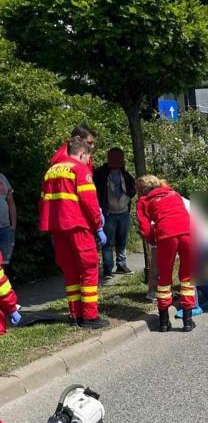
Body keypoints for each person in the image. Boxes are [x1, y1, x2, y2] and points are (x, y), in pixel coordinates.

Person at [38, 138, 109, 329]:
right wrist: (98, 226)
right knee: (89, 268)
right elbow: (89, 201)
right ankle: (90, 317)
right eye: (88, 157)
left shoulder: (51, 170)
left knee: (70, 271)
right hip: (78, 225)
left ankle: (75, 314)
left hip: (57, 227)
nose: (88, 162)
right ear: (82, 154)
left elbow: (44, 200)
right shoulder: (79, 169)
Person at [135, 176, 195, 332]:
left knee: (165, 279)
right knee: (187, 277)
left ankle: (163, 322)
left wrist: (151, 239)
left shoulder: (143, 201)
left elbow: (145, 227)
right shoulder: (173, 193)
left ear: (141, 189)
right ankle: (188, 321)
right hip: (187, 232)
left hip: (166, 235)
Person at [94, 148, 136, 280]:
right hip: (108, 213)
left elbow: (132, 189)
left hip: (123, 212)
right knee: (107, 243)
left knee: (121, 241)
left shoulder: (125, 174)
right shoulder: (100, 174)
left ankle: (121, 266)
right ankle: (107, 269)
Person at [0, 173, 15, 265]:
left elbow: (11, 203)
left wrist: (13, 225)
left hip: (5, 228)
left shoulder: (2, 177)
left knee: (3, 263)